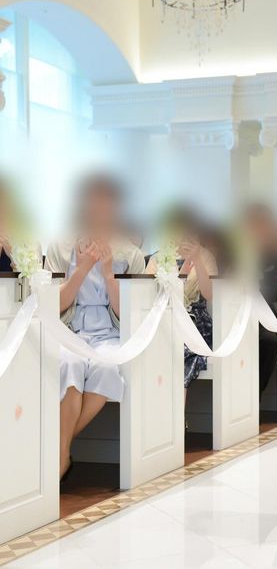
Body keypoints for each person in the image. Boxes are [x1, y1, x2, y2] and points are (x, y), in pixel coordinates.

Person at [44, 174, 146, 480]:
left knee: (107, 367)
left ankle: (58, 451)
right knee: (69, 363)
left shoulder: (130, 253)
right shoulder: (60, 245)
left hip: (109, 334)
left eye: (107, 202)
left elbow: (129, 314)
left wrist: (108, 273)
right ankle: (61, 455)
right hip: (70, 331)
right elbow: (53, 305)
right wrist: (82, 269)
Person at [146, 209, 218, 401]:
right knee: (156, 351)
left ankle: (177, 415)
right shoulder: (158, 258)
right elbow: (146, 294)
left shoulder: (205, 256)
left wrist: (196, 260)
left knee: (179, 353)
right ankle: (157, 411)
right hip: (164, 320)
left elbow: (210, 294)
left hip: (194, 323)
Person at [243, 203, 277, 399]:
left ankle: (254, 397)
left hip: (266, 312)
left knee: (269, 343)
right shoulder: (236, 255)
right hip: (236, 310)